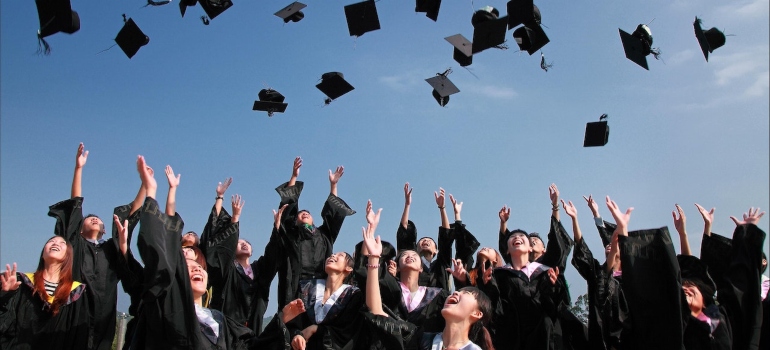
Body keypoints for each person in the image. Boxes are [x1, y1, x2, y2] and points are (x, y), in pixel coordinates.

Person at [128, 155, 256, 350]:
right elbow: (167, 232)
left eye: (197, 264)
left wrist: (226, 207)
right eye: (185, 260)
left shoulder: (217, 321)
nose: (193, 266)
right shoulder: (168, 286)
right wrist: (159, 191)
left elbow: (213, 239)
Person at [360, 202, 495, 350]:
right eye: (406, 255)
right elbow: (378, 312)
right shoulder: (421, 339)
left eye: (466, 292)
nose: (456, 292)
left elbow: (446, 242)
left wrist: (447, 211)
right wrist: (373, 256)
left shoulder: (439, 290)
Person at [47, 142, 139, 350]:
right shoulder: (75, 246)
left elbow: (131, 216)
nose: (95, 219)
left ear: (106, 230)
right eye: (90, 219)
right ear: (80, 228)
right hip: (74, 311)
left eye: (98, 219)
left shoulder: (110, 249)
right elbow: (75, 205)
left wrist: (144, 184)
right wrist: (78, 168)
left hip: (104, 315)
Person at [274, 157, 356, 309]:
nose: (304, 214)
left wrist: (333, 185)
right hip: (294, 288)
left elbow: (333, 214)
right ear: (295, 220)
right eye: (301, 214)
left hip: (321, 288)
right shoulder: (291, 234)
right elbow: (287, 209)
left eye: (307, 213)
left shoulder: (324, 235)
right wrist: (294, 177)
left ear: (313, 219)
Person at [0, 236, 90, 349]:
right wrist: (5, 295)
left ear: (69, 256)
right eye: (51, 241)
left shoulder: (77, 292)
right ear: (42, 254)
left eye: (62, 243)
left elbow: (79, 336)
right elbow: (4, 324)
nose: (55, 243)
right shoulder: (21, 282)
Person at [699, 206, 766, 350]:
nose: (686, 290)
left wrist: (745, 237)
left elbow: (739, 292)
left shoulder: (754, 299)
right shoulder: (710, 317)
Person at [569, 195, 629, 350]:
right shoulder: (597, 274)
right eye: (607, 246)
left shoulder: (632, 277)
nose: (609, 246)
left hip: (628, 337)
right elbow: (582, 248)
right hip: (601, 339)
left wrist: (598, 215)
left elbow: (620, 242)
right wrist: (575, 219)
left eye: (614, 245)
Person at [396, 184, 455, 290]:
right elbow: (404, 235)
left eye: (430, 241)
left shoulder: (441, 265)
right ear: (416, 249)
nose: (426, 240)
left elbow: (446, 236)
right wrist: (407, 204)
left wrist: (442, 208)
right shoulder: (409, 263)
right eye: (422, 240)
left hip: (438, 305)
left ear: (436, 251)